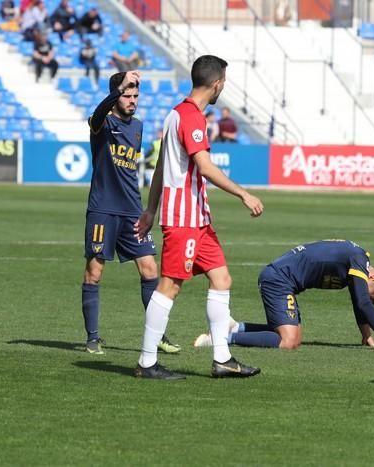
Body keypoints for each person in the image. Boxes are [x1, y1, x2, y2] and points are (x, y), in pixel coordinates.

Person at [133, 55, 264, 380]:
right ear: (217, 83)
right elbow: (204, 167)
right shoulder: (190, 117)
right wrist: (243, 194)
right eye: (224, 83)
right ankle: (147, 362)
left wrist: (150, 209)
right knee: (169, 286)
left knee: (222, 279)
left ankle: (222, 359)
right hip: (183, 220)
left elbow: (162, 167)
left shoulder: (176, 114)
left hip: (199, 220)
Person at [81, 70, 179, 356]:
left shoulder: (137, 126)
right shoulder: (101, 123)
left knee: (150, 270)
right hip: (103, 210)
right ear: (115, 96)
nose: (133, 100)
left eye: (136, 96)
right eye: (127, 95)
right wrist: (117, 90)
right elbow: (97, 115)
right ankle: (93, 337)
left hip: (133, 212)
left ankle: (158, 335)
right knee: (94, 272)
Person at [192, 239, 374, 352]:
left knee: (294, 337)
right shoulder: (359, 259)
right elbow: (363, 302)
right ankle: (220, 339)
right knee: (288, 341)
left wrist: (366, 335)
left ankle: (236, 327)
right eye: (370, 292)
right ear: (372, 277)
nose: (363, 292)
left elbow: (359, 302)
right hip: (278, 280)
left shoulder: (357, 263)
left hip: (283, 281)